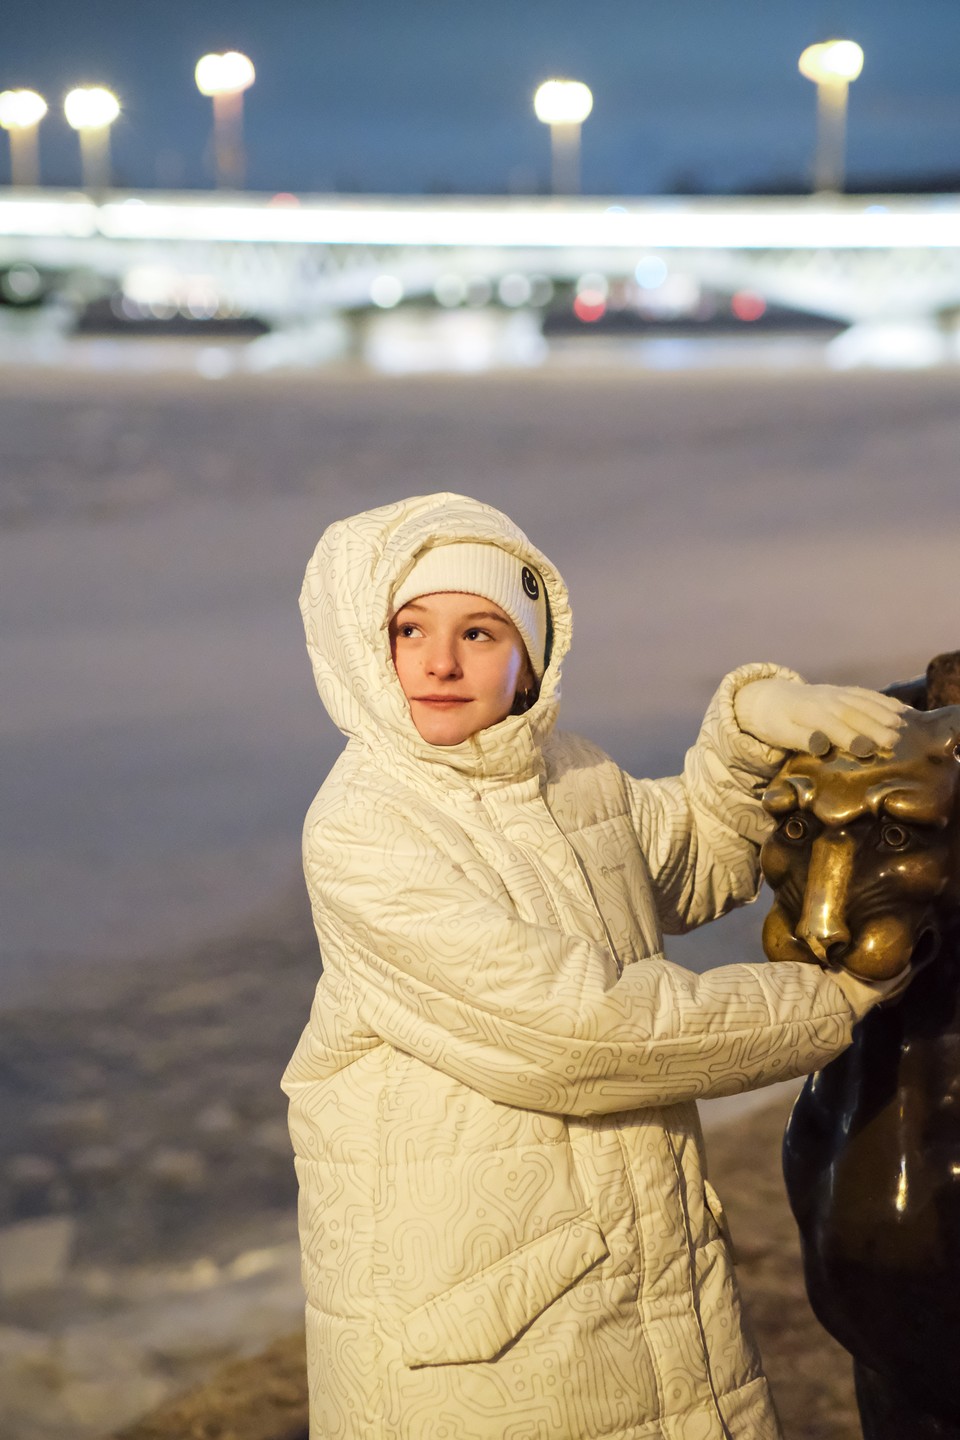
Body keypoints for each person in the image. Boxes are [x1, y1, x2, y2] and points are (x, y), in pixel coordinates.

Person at [282, 491, 908, 1440]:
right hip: (484, 1322)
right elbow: (581, 1035)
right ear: (367, 646)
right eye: (410, 629)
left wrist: (752, 726)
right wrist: (830, 1001)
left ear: (530, 655)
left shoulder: (568, 778)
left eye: (483, 631)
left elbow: (695, 859)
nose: (441, 662)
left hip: (632, 1268)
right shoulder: (366, 831)